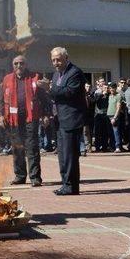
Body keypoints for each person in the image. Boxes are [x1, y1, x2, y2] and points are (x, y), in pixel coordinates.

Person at [38, 47, 86, 196]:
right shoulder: (56, 74)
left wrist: (50, 88)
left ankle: (71, 186)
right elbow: (55, 95)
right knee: (62, 154)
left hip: (71, 119)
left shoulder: (75, 72)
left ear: (66, 58)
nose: (56, 63)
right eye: (53, 60)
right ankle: (65, 183)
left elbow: (69, 93)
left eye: (58, 59)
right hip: (59, 119)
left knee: (70, 154)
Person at [1, 55, 49, 187]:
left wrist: (45, 114)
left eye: (21, 63)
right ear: (13, 65)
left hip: (30, 118)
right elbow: (1, 100)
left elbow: (44, 99)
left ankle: (35, 177)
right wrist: (0, 116)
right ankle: (20, 176)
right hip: (14, 120)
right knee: (17, 148)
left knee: (32, 147)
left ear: (25, 65)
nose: (18, 66)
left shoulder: (35, 77)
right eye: (16, 63)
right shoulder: (7, 79)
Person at [106, 82, 123, 152]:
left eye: (113, 88)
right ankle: (112, 146)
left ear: (115, 88)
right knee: (110, 132)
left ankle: (118, 146)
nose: (111, 89)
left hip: (114, 116)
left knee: (116, 131)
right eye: (110, 88)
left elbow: (118, 108)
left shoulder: (118, 96)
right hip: (108, 116)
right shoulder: (109, 96)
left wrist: (114, 118)